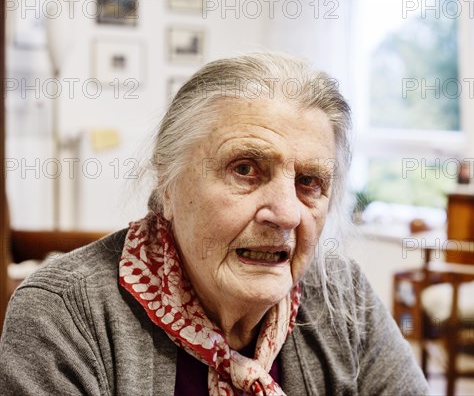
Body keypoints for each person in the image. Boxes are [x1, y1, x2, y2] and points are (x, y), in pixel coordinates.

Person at [0, 52, 428, 395]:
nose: (285, 213)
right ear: (168, 182)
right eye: (245, 169)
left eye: (309, 182)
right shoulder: (66, 313)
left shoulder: (344, 297)